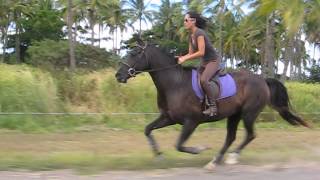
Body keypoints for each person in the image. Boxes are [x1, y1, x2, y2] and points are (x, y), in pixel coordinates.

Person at [177, 11, 221, 116]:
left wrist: (185, 59)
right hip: (204, 62)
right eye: (184, 20)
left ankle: (213, 107)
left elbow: (201, 52)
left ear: (193, 21)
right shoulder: (191, 35)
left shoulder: (199, 33)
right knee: (194, 79)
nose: (184, 22)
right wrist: (182, 57)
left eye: (186, 20)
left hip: (213, 61)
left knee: (203, 80)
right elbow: (191, 53)